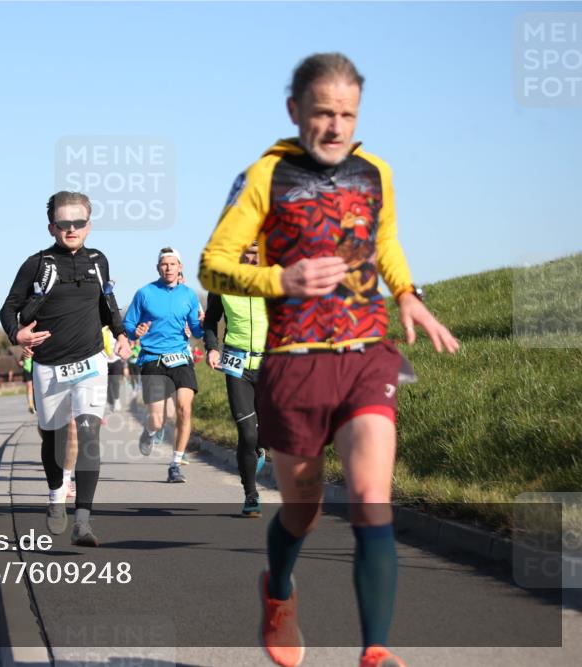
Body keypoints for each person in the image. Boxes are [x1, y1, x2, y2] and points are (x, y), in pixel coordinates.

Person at [198, 53, 459, 667]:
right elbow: (212, 265)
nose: (336, 127)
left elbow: (384, 240)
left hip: (367, 355)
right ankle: (278, 589)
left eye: (348, 115)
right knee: (303, 511)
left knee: (371, 498)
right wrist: (282, 279)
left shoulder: (375, 172)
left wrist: (406, 293)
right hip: (295, 363)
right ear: (295, 110)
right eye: (323, 113)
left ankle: (374, 651)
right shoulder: (264, 176)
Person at [0, 191, 130, 547]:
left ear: (89, 225)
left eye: (78, 222)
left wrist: (120, 334)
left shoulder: (98, 261)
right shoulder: (36, 264)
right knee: (54, 440)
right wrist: (17, 334)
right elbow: (8, 308)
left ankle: (83, 521)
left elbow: (107, 303)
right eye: (63, 223)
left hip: (90, 362)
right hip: (49, 367)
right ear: (51, 227)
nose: (71, 229)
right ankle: (57, 494)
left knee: (88, 435)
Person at [123, 247, 204, 483]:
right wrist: (135, 331)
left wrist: (202, 324)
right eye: (164, 264)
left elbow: (196, 330)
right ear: (158, 268)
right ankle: (149, 432)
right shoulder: (145, 293)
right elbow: (129, 324)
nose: (168, 268)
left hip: (180, 358)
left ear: (180, 267)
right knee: (158, 420)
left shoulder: (189, 295)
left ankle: (175, 464)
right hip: (152, 359)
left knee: (184, 409)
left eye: (172, 264)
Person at [203, 243, 269, 517]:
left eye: (257, 254)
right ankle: (251, 494)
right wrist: (212, 348)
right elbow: (210, 321)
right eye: (247, 254)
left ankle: (260, 448)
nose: (252, 259)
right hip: (237, 364)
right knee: (247, 433)